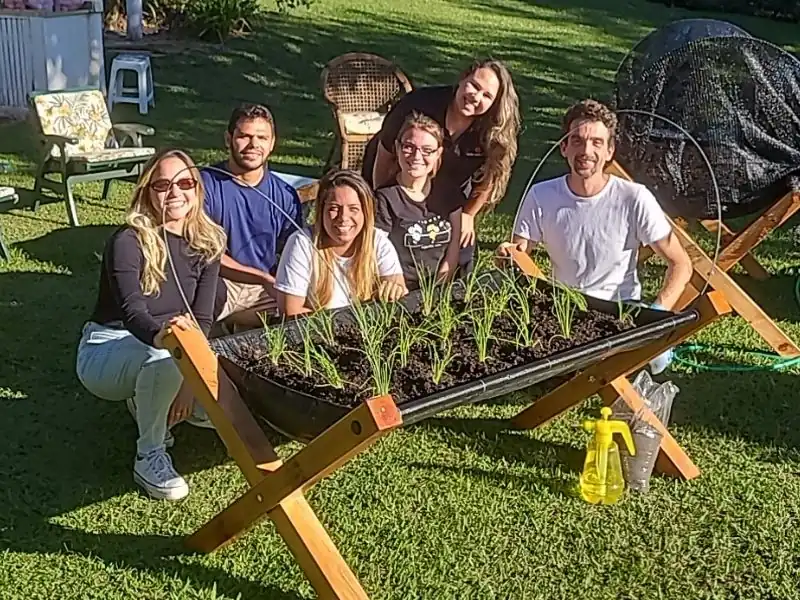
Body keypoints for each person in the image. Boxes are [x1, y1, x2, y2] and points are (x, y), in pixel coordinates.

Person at [497, 99, 692, 373]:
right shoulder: (541, 195)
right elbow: (518, 256)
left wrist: (658, 312)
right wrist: (507, 257)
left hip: (621, 313)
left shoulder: (634, 198)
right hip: (564, 310)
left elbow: (681, 264)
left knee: (655, 360)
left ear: (610, 151)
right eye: (577, 141)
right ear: (564, 147)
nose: (586, 151)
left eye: (597, 143)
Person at [76, 149, 227, 501]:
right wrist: (166, 342)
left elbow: (202, 320)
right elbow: (133, 313)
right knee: (162, 359)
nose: (175, 193)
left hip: (172, 348)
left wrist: (188, 382)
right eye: (163, 185)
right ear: (147, 191)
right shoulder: (127, 241)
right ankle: (149, 455)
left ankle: (148, 397)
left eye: (185, 183)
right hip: (107, 347)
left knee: (209, 415)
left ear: (197, 189)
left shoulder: (209, 242)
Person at [362, 58, 521, 270]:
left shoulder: (492, 130)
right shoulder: (419, 104)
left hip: (448, 190)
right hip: (400, 177)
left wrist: (468, 214)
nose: (476, 97)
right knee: (390, 237)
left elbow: (493, 174)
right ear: (463, 78)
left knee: (461, 243)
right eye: (474, 85)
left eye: (487, 95)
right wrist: (382, 199)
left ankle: (452, 285)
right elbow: (384, 154)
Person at [201, 103, 304, 330]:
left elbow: (294, 253)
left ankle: (238, 327)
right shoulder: (204, 185)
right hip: (219, 280)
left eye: (262, 138)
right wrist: (261, 278)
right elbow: (205, 254)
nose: (253, 144)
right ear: (228, 139)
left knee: (305, 312)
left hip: (265, 288)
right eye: (244, 136)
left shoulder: (285, 195)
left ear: (272, 143)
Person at [275, 169, 407, 316]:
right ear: (321, 211)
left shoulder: (378, 241)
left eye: (353, 209)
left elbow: (398, 294)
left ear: (366, 212)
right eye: (334, 208)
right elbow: (291, 312)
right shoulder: (302, 243)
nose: (343, 217)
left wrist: (394, 290)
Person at [374, 112, 462, 288]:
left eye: (427, 150)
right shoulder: (384, 198)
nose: (416, 156)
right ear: (397, 148)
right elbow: (377, 253)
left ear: (438, 153)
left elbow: (453, 250)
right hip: (401, 289)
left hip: (442, 287)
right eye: (409, 147)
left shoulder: (450, 194)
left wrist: (436, 291)